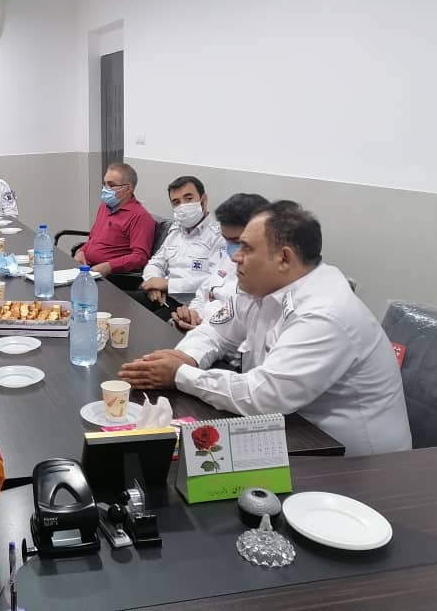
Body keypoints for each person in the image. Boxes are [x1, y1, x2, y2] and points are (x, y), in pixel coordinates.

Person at [119, 201, 411, 456]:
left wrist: (179, 374)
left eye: (245, 248)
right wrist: (186, 357)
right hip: (293, 429)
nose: (235, 256)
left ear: (284, 258)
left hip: (354, 464)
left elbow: (264, 396)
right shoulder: (260, 287)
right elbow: (215, 330)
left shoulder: (325, 313)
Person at [172, 193, 269, 330]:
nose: (233, 253)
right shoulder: (225, 254)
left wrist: (202, 327)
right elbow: (203, 293)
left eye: (238, 242)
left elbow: (237, 329)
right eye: (226, 239)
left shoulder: (264, 281)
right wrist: (193, 314)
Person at [140, 175, 224, 319]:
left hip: (190, 307)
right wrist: (154, 283)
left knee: (144, 323)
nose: (183, 206)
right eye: (176, 202)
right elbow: (155, 262)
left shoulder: (219, 236)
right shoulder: (176, 230)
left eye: (188, 199)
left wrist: (168, 284)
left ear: (203, 200)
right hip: (162, 296)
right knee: (120, 306)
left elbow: (214, 280)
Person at [74, 163, 156, 278]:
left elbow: (140, 257)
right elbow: (93, 238)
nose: (105, 189)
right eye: (105, 184)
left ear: (128, 188)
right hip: (87, 267)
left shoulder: (140, 217)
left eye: (111, 185)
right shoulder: (104, 206)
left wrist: (109, 266)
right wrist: (81, 251)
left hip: (110, 276)